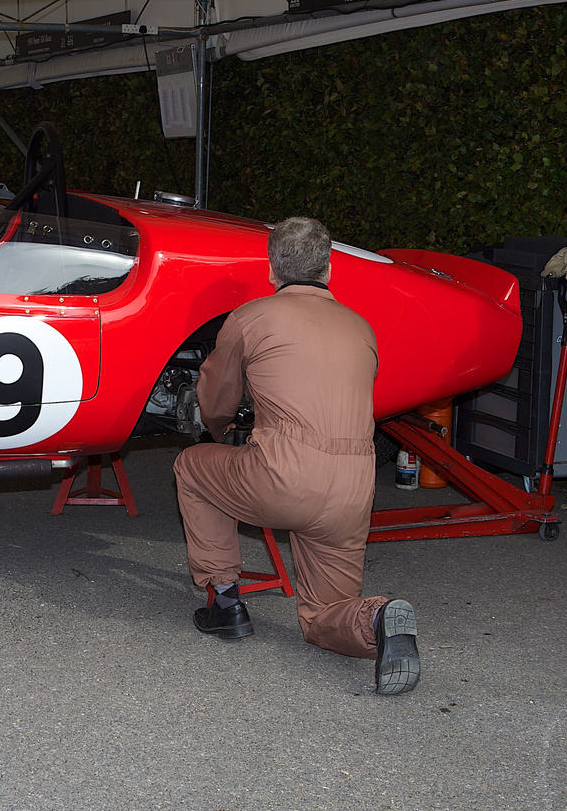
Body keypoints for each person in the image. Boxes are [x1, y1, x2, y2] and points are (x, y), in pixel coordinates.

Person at [173, 216, 420, 695]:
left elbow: (217, 401)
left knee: (192, 468)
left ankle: (224, 601)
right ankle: (380, 618)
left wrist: (219, 432)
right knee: (322, 617)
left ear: (271, 269)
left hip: (282, 476)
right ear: (328, 270)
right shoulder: (361, 328)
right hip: (353, 489)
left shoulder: (251, 317)